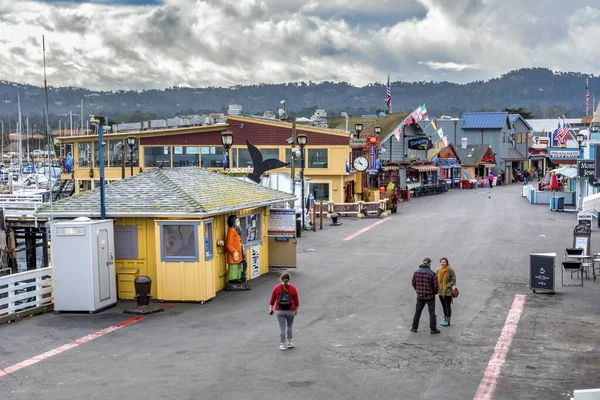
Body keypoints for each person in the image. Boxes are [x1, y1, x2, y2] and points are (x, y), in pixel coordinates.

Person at [269, 272, 299, 350]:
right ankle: (289, 342)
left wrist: (271, 308)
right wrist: (295, 310)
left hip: (280, 310)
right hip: (290, 310)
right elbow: (296, 302)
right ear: (289, 279)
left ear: (281, 279)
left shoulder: (276, 288)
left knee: (282, 328)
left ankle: (282, 344)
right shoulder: (293, 288)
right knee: (289, 326)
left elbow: (272, 300)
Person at [411, 258, 441, 334]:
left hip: (420, 296)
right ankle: (433, 329)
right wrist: (435, 292)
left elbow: (413, 282)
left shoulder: (416, 272)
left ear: (423, 263)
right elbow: (435, 286)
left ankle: (414, 327)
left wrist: (417, 290)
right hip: (430, 296)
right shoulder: (432, 273)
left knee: (418, 311)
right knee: (432, 312)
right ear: (429, 264)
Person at [436, 258, 457, 327]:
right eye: (441, 262)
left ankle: (448, 321)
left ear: (447, 263)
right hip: (440, 292)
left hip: (447, 292)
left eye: (444, 262)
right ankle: (445, 320)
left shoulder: (450, 270)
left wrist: (448, 286)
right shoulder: (438, 270)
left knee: (447, 306)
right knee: (444, 307)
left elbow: (454, 280)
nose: (443, 263)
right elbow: (435, 279)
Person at [225, 215, 243, 283]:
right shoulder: (231, 230)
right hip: (234, 254)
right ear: (233, 222)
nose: (239, 222)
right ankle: (232, 280)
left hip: (238, 253)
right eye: (237, 221)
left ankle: (237, 278)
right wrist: (233, 251)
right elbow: (229, 244)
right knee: (233, 267)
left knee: (238, 266)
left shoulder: (236, 229)